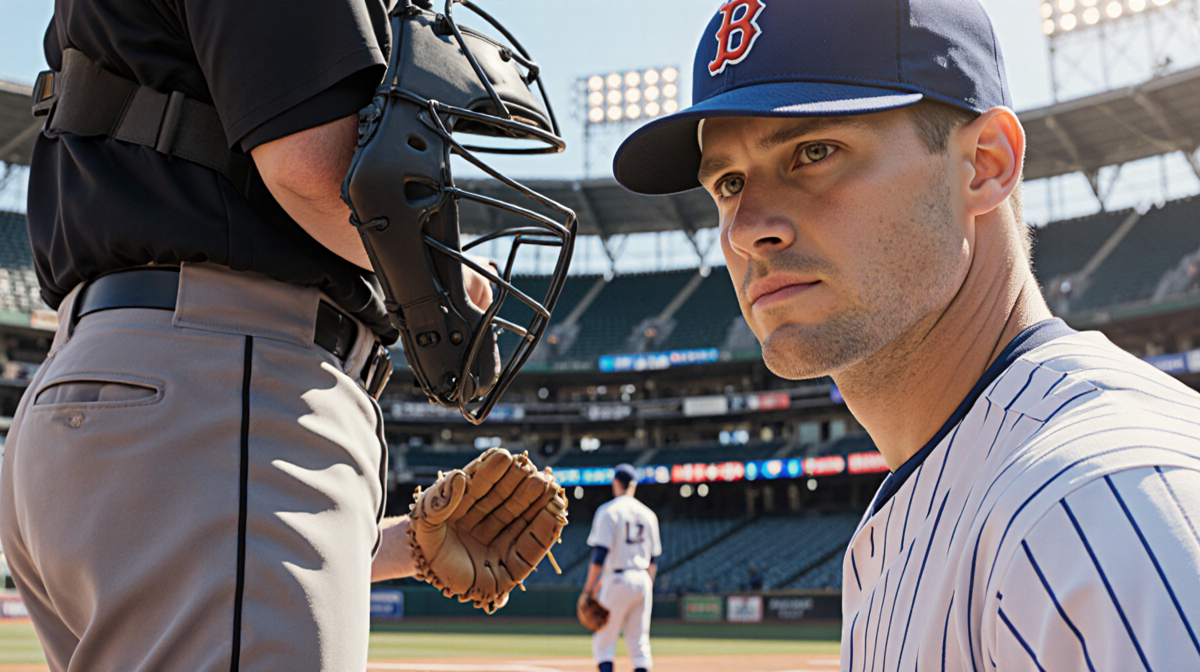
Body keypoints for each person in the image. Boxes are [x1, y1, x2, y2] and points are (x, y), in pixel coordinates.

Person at [613, 1, 1200, 670]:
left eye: (813, 152)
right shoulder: (961, 485)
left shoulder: (1098, 504)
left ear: (984, 164)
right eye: (727, 182)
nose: (746, 228)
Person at [0, 0, 497, 670]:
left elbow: (210, 529)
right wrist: (445, 278)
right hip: (220, 374)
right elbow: (314, 166)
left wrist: (402, 545)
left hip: (126, 398)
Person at [583, 464, 662, 672]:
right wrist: (646, 589)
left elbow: (599, 555)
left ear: (615, 483)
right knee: (639, 645)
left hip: (618, 578)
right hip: (643, 580)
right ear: (633, 485)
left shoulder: (608, 511)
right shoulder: (649, 514)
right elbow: (653, 560)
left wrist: (588, 590)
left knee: (604, 643)